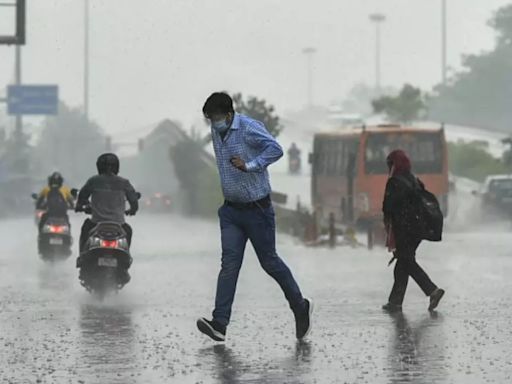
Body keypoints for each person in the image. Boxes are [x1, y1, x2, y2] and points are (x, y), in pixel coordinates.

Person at [197, 92, 313, 342]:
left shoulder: (248, 128)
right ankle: (220, 323)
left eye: (216, 118)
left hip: (257, 210)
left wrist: (250, 165)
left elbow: (276, 149)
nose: (213, 123)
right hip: (230, 212)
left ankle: (300, 306)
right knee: (229, 265)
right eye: (210, 119)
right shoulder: (217, 132)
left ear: (229, 115)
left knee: (269, 262)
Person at [382, 150, 445, 313]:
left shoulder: (394, 182)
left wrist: (387, 225)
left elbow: (388, 207)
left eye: (389, 164)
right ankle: (395, 302)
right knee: (403, 263)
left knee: (407, 262)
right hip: (418, 229)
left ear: (393, 164)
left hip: (404, 230)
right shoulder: (414, 180)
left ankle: (432, 290)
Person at [75, 153, 138, 255]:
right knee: (128, 231)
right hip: (119, 224)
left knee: (85, 228)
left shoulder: (94, 181)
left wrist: (79, 206)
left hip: (95, 223)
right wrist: (133, 210)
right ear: (117, 166)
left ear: (99, 166)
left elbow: (82, 196)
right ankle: (126, 257)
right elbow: (134, 201)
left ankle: (82, 256)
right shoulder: (124, 182)